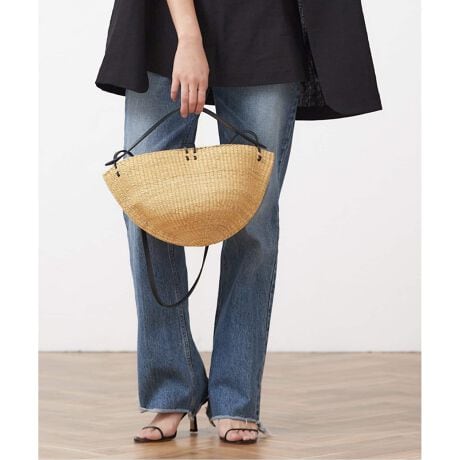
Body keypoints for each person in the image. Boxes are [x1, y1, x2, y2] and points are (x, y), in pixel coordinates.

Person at [96, 0, 382, 445]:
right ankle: (171, 388)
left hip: (264, 21)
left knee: (255, 221)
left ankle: (236, 398)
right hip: (163, 22)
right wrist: (189, 37)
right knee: (147, 209)